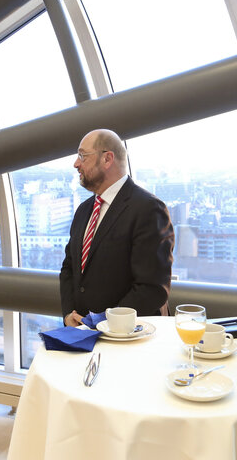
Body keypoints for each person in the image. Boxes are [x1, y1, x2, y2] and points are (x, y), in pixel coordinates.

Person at [60, 129, 174, 326]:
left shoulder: (148, 208)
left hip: (129, 340)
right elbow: (69, 268)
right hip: (82, 335)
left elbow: (151, 287)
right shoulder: (83, 210)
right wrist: (69, 316)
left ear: (107, 159)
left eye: (82, 156)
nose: (76, 164)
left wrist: (103, 323)